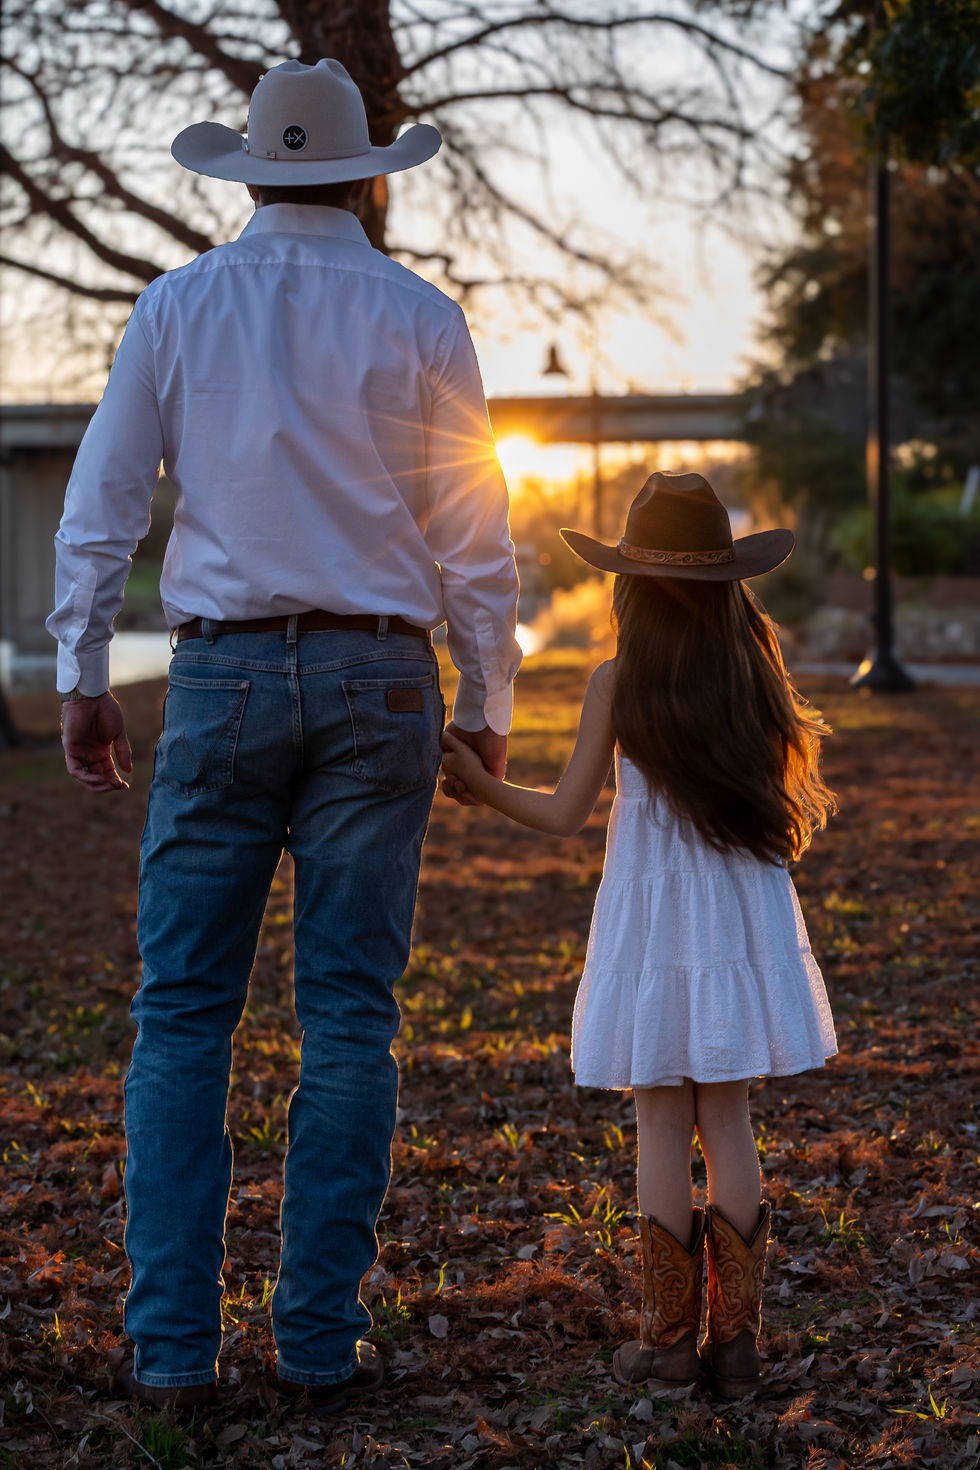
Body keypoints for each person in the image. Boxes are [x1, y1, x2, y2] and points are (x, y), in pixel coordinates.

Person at [46, 59, 521, 1412]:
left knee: (186, 1010)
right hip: (382, 686)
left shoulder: (180, 306)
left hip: (225, 679)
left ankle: (175, 1352)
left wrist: (85, 672)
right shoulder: (423, 316)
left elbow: (105, 501)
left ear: (250, 175)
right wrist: (484, 704)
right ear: (369, 177)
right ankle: (316, 1343)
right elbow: (473, 537)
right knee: (351, 1020)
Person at [442, 470, 837, 1400]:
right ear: (725, 583)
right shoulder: (753, 671)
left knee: (661, 1115)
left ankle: (665, 1345)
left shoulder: (620, 679)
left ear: (628, 583)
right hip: (738, 906)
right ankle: (736, 1349)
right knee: (727, 1116)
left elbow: (569, 812)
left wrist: (480, 784)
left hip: (656, 914)